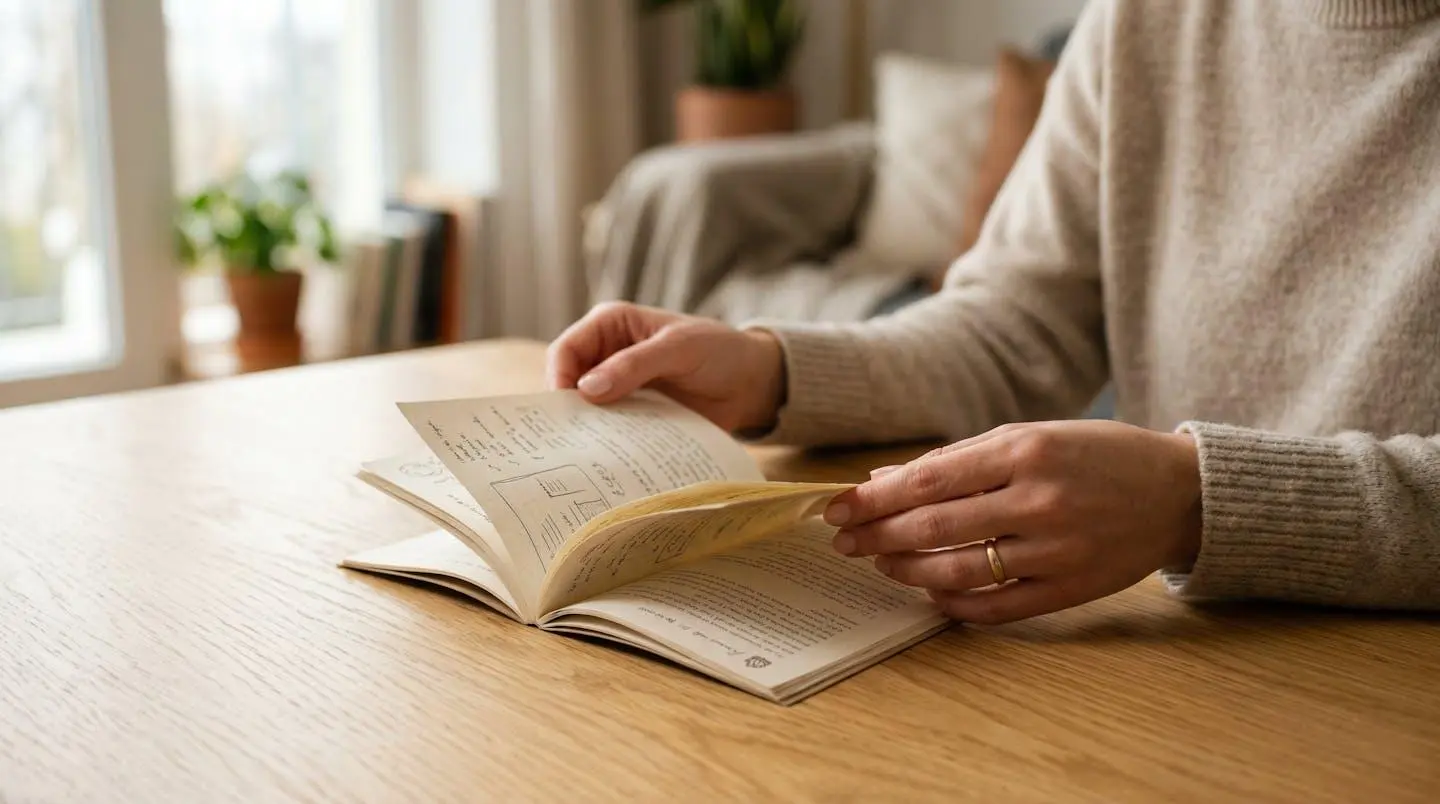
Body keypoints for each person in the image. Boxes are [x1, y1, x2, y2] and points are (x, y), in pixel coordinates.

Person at [547, 0, 1440, 624]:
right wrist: (775, 369)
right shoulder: (1144, 19)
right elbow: (1013, 324)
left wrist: (1197, 501)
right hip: (1183, 659)